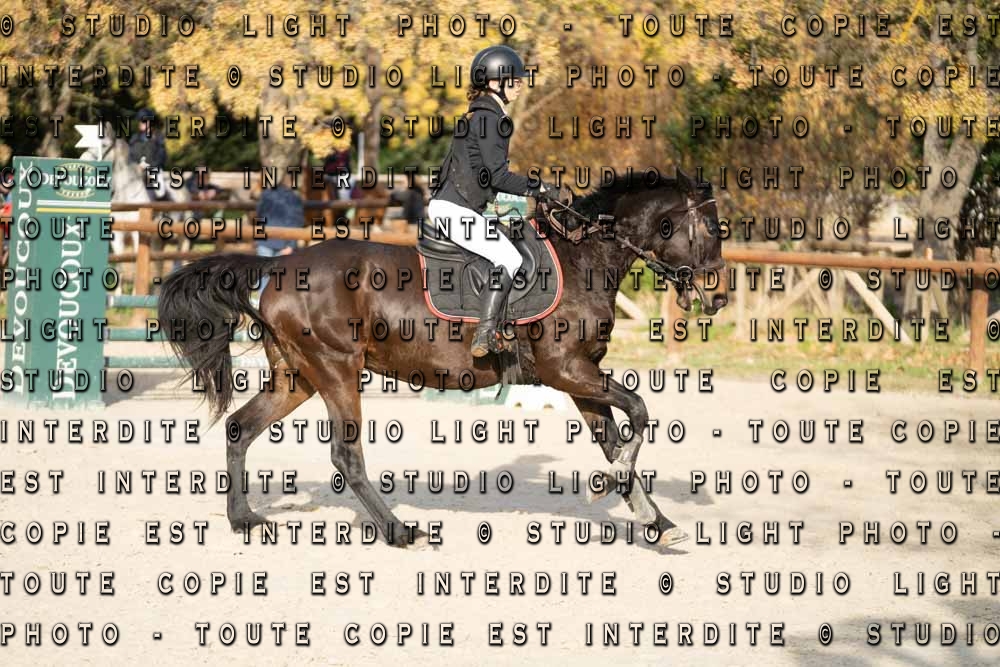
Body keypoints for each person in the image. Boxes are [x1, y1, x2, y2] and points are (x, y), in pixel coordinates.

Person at [428, 45, 571, 357]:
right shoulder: (491, 119)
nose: (520, 85)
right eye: (514, 80)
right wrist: (541, 188)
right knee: (509, 258)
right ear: (494, 82)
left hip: (457, 205)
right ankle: (484, 334)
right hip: (456, 209)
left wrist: (516, 206)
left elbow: (483, 181)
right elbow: (498, 176)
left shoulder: (477, 115)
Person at [253, 176, 304, 301]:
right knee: (281, 276)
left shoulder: (266, 194)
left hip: (265, 239)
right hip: (284, 243)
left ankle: (260, 300)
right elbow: (296, 222)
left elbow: (259, 214)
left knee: (264, 273)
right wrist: (291, 245)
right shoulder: (295, 198)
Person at [128, 108, 167, 199]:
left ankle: (162, 206)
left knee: (160, 191)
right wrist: (136, 165)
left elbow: (162, 156)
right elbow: (130, 155)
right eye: (140, 121)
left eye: (143, 121)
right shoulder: (134, 138)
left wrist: (150, 165)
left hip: (153, 170)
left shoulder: (158, 137)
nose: (141, 123)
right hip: (136, 170)